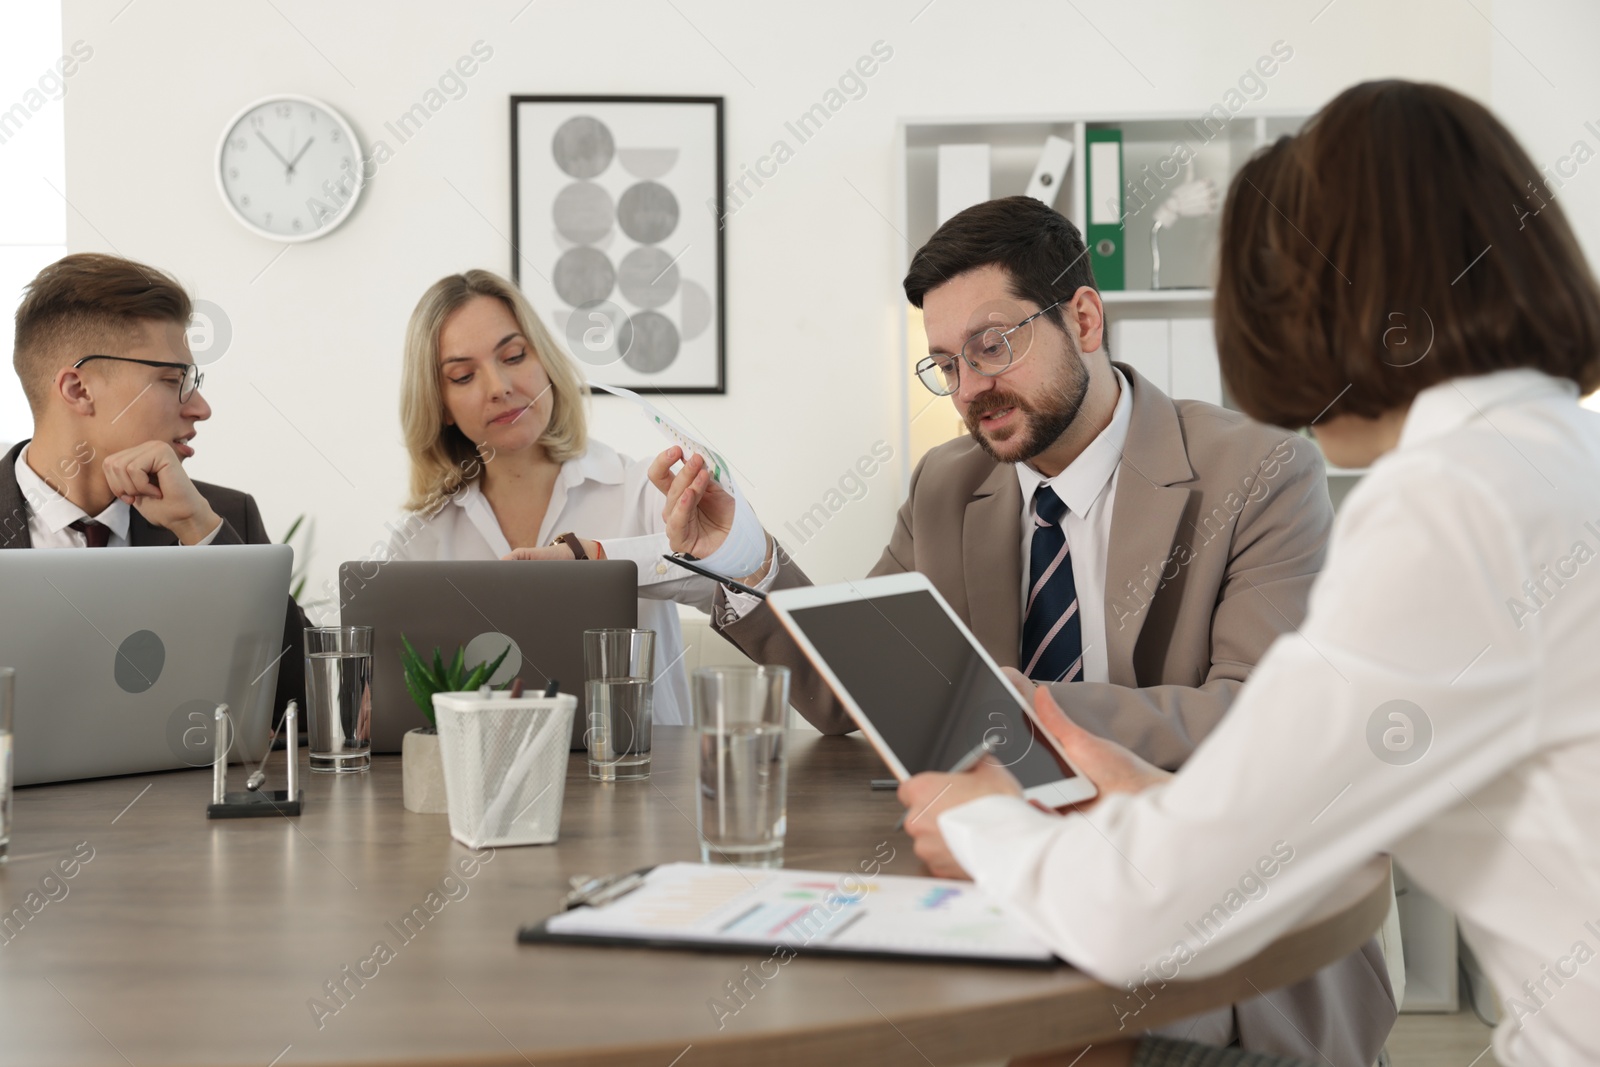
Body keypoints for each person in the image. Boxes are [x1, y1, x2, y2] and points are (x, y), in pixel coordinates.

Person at [898, 80, 1600, 1067]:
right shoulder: (1555, 459)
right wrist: (1159, 800)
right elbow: (1308, 789)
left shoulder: (1454, 505)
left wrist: (985, 828)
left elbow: (1139, 917)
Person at [652, 200, 1395, 1060]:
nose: (969, 390)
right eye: (944, 364)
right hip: (997, 878)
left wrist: (1030, 710)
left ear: (1083, 316)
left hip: (1200, 902)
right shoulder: (946, 484)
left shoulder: (1258, 469)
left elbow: (1263, 719)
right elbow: (854, 687)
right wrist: (740, 558)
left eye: (991, 346)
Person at [383, 269, 721, 725]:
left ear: (544, 361)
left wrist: (599, 561)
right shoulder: (418, 541)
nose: (499, 386)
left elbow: (732, 588)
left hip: (641, 782)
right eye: (463, 376)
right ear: (439, 404)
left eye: (514, 355)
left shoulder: (640, 490)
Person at [0, 253, 307, 717]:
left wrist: (199, 529)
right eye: (171, 380)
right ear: (78, 390)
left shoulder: (221, 515)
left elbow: (305, 701)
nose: (201, 408)